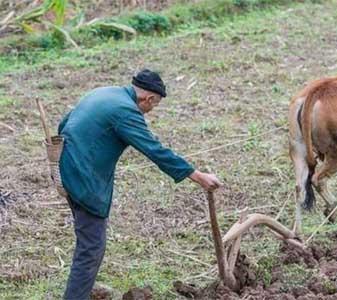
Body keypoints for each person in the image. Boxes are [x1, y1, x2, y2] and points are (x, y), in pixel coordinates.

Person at [58, 69, 222, 299]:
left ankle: (83, 289)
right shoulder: (126, 111)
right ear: (149, 98)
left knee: (89, 241)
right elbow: (153, 149)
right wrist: (196, 175)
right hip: (84, 180)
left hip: (68, 168)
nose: (150, 111)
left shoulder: (106, 93)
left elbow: (65, 122)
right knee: (92, 248)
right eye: (153, 106)